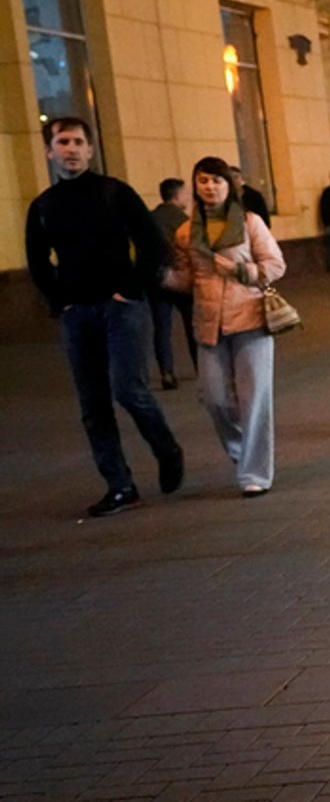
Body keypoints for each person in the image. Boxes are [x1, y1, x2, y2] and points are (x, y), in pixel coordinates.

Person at [24, 117, 185, 517]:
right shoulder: (43, 205)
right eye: (63, 142)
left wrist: (132, 289)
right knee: (93, 404)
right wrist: (60, 299)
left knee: (128, 389)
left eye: (79, 141)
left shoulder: (115, 193)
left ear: (91, 149)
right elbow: (37, 260)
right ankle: (120, 486)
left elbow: (153, 243)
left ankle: (166, 448)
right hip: (77, 314)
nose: (72, 149)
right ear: (50, 151)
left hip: (122, 308)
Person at [163, 157, 284, 497]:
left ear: (229, 185)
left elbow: (275, 265)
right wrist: (161, 276)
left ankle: (255, 473)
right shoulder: (186, 232)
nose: (210, 187)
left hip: (250, 318)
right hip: (207, 324)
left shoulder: (249, 222)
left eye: (217, 180)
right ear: (195, 186)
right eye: (203, 181)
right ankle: (241, 452)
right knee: (215, 399)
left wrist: (241, 271)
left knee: (254, 399)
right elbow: (188, 278)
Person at [148, 177, 198, 389]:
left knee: (161, 327)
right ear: (177, 195)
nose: (187, 197)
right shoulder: (183, 220)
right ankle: (201, 368)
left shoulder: (150, 217)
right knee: (192, 324)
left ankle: (166, 372)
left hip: (157, 280)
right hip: (181, 279)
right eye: (185, 193)